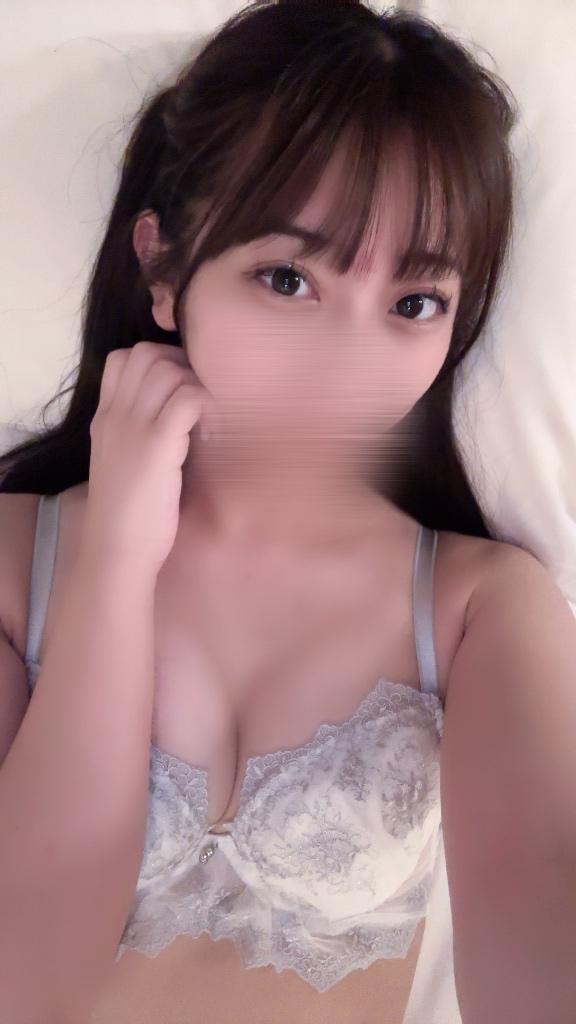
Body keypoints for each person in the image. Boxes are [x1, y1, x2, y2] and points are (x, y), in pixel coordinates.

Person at [1, 2, 576, 1023]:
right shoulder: (15, 565)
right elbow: (26, 984)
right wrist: (116, 559)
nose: (347, 365)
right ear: (164, 269)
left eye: (413, 304)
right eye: (287, 278)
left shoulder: (480, 608)